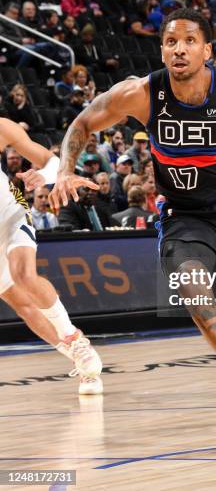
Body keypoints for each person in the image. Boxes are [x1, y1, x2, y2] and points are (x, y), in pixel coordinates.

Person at [50, 7, 216, 438]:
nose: (179, 49)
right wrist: (65, 168)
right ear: (162, 49)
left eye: (189, 41)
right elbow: (83, 123)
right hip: (183, 216)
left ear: (208, 50)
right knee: (193, 290)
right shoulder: (140, 93)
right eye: (171, 41)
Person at [0, 118, 102, 394]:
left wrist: (42, 176)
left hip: (9, 212)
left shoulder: (1, 127)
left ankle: (74, 337)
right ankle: (82, 361)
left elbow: (49, 161)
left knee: (24, 275)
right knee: (22, 305)